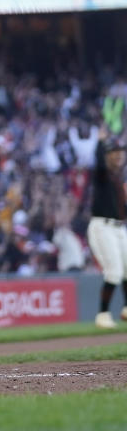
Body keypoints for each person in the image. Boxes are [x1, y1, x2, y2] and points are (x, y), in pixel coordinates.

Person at [87, 132, 127, 329]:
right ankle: (102, 314)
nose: (118, 156)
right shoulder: (102, 175)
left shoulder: (119, 180)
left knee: (126, 269)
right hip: (102, 226)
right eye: (114, 153)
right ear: (107, 155)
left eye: (121, 152)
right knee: (114, 272)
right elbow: (100, 163)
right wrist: (101, 142)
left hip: (119, 227)